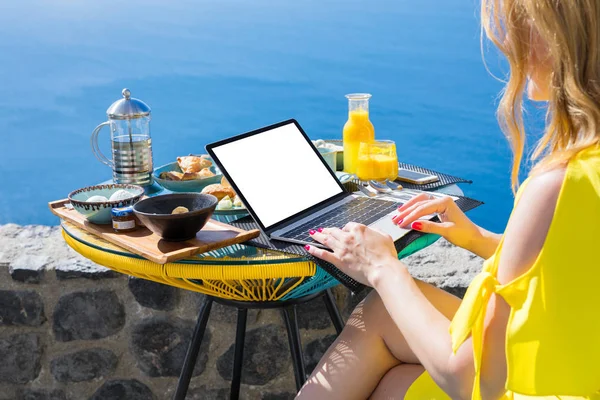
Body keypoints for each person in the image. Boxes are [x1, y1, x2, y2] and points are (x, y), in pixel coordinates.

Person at [295, 0, 600, 399]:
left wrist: (382, 267)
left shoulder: (558, 183)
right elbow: (571, 265)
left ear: (550, 40)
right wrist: (476, 238)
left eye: (516, 29)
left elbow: (468, 380)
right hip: (574, 367)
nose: (507, 44)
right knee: (388, 358)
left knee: (382, 327)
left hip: (529, 386)